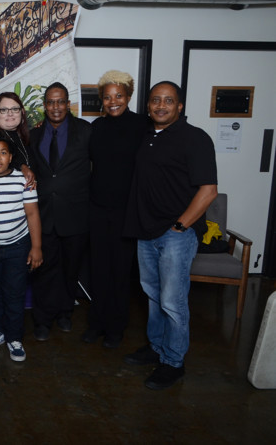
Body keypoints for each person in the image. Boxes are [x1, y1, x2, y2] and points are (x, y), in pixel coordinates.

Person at [123, 81, 217, 390]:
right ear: (148, 105)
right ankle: (157, 347)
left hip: (176, 233)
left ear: (179, 106)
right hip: (145, 231)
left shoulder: (195, 138)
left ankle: (174, 362)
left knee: (172, 301)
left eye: (168, 100)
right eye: (155, 100)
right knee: (153, 295)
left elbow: (209, 190)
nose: (161, 105)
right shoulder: (147, 135)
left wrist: (180, 225)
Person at [83, 71, 148, 348]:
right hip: (98, 209)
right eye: (108, 97)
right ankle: (96, 323)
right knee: (98, 269)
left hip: (126, 211)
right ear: (102, 99)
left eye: (119, 96)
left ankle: (116, 327)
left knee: (120, 271)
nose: (113, 102)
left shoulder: (143, 125)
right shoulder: (97, 127)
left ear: (129, 97)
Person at [28, 83, 92, 342]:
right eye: (51, 102)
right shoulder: (34, 134)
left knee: (70, 269)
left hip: (76, 213)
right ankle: (42, 319)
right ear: (45, 106)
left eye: (61, 101)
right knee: (44, 270)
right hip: (43, 214)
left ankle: (65, 313)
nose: (56, 107)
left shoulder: (85, 131)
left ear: (68, 104)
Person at [0, 134, 43, 362]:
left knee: (14, 292)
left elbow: (32, 213)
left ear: (11, 157)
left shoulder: (22, 180)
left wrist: (36, 247)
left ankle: (14, 337)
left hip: (18, 245)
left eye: (3, 153)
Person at [0, 91, 36, 187]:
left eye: (15, 109)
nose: (10, 114)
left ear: (22, 112)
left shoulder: (26, 136)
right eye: (4, 110)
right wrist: (21, 166)